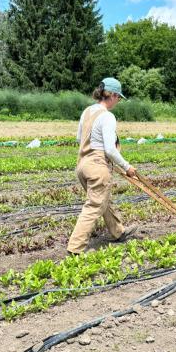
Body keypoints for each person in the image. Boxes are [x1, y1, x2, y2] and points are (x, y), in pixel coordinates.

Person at [67, 78, 137, 255]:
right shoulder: (107, 116)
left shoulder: (87, 111)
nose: (118, 101)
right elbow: (110, 149)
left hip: (82, 165)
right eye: (118, 97)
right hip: (97, 166)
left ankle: (118, 231)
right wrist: (127, 167)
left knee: (101, 200)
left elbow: (79, 139)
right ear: (112, 95)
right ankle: (75, 248)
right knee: (93, 206)